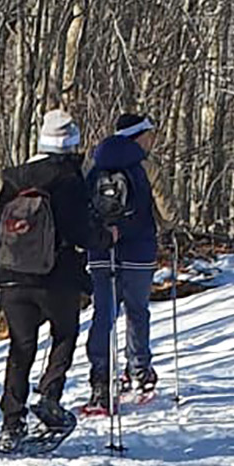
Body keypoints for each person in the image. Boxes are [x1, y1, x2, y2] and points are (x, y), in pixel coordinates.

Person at [0, 108, 93, 451]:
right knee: (64, 335)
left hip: (13, 279)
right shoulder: (69, 179)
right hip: (56, 277)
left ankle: (11, 420)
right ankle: (49, 396)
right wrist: (106, 236)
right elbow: (81, 230)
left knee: (21, 347)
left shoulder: (15, 178)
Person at [85, 110, 160, 406]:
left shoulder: (93, 163)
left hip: (101, 249)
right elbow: (167, 209)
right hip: (138, 251)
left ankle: (101, 380)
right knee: (137, 311)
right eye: (149, 134)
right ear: (139, 136)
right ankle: (139, 371)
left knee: (103, 313)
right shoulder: (146, 166)